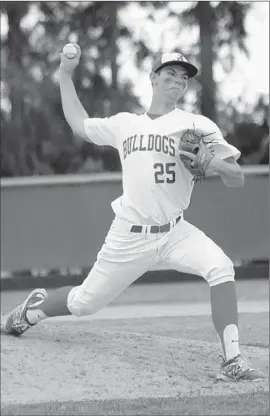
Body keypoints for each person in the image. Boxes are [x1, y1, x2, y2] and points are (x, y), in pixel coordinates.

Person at [1, 46, 265, 382]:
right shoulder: (125, 124)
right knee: (84, 303)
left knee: (221, 266)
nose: (178, 81)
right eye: (170, 74)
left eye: (183, 77)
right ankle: (34, 309)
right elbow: (81, 125)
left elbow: (237, 176)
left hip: (175, 231)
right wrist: (66, 77)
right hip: (129, 235)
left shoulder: (196, 124)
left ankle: (233, 360)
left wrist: (211, 163)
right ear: (153, 78)